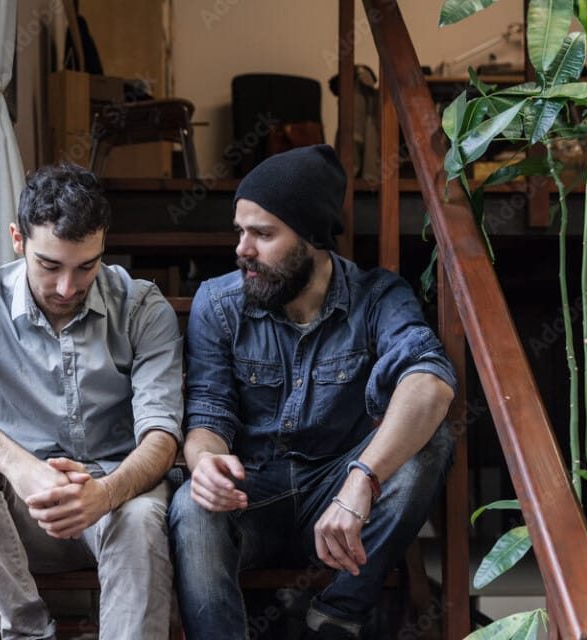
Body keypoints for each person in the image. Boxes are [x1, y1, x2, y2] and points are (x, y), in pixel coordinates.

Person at [168, 145, 457, 639]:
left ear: (313, 238)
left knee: (431, 441)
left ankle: (337, 616)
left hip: (339, 495)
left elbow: (429, 382)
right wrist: (205, 462)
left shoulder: (377, 297)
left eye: (262, 234)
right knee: (191, 508)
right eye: (241, 231)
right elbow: (207, 416)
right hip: (251, 496)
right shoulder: (219, 303)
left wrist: (361, 481)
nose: (243, 249)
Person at [0, 163, 183, 640]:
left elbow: (162, 437)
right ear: (19, 239)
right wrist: (21, 468)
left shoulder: (142, 307)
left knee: (140, 522)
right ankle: (30, 634)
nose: (66, 288)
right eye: (50, 265)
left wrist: (106, 493)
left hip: (118, 502)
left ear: (103, 246)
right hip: (20, 513)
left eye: (86, 267)